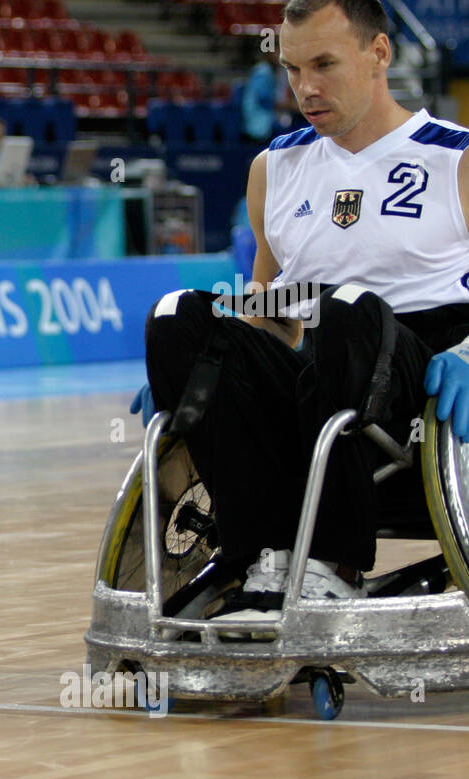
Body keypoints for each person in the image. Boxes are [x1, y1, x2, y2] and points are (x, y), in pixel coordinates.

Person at [135, 0, 469, 625]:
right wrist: (197, 362)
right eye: (291, 69)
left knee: (344, 309)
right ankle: (261, 554)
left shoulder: (455, 159)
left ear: (379, 54)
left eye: (324, 64)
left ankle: (332, 562)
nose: (305, 88)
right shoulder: (275, 168)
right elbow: (263, 308)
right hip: (311, 372)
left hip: (420, 386)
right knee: (179, 313)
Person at [242, 40, 297, 142]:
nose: (279, 55)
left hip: (275, 118)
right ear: (270, 53)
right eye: (277, 51)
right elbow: (266, 100)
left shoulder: (282, 71)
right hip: (260, 122)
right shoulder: (262, 72)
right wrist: (292, 106)